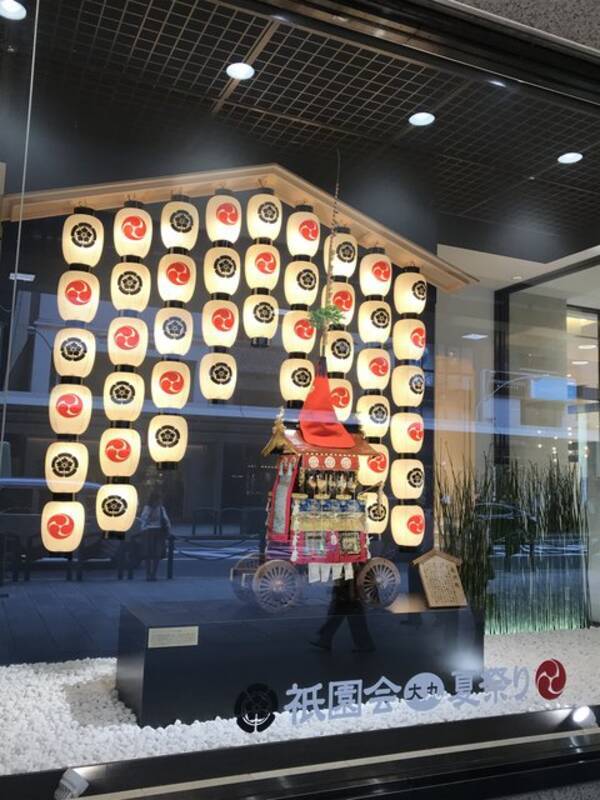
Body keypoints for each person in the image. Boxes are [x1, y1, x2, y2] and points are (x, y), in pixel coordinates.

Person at [139, 488, 171, 581]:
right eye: (158, 500)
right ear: (154, 500)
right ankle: (149, 574)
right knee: (149, 554)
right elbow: (144, 519)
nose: (159, 502)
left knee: (156, 554)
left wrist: (168, 530)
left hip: (157, 532)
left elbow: (166, 520)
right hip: (149, 532)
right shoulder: (148, 508)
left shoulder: (161, 508)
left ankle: (153, 574)